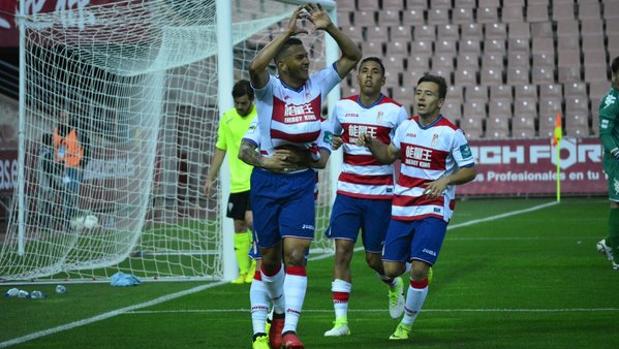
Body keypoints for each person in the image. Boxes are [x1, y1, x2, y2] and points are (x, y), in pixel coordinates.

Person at [240, 4, 361, 349]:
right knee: (268, 260)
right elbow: (254, 66)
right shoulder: (268, 90)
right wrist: (286, 33)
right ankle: (277, 314)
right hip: (266, 183)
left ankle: (290, 330)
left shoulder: (319, 84)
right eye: (299, 57)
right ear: (282, 64)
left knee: (296, 254)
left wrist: (329, 28)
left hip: (300, 183)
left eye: (307, 56)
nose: (307, 61)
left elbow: (353, 55)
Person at [357, 74, 477, 340]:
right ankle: (415, 272)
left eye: (429, 94)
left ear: (441, 101)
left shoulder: (451, 134)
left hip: (434, 206)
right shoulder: (405, 127)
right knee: (390, 270)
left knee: (419, 268)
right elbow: (389, 155)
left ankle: (406, 325)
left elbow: (470, 170)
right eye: (419, 92)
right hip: (402, 206)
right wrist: (371, 143)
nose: (421, 97)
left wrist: (445, 179)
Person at [322, 57, 409, 337]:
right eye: (364, 71)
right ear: (357, 77)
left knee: (375, 260)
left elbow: (399, 152)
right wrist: (332, 141)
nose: (369, 76)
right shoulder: (342, 107)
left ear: (384, 80)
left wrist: (374, 144)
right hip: (348, 193)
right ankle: (341, 322)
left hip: (380, 195)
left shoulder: (396, 112)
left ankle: (393, 285)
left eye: (375, 72)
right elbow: (329, 136)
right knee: (342, 252)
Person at [205, 80, 258, 284]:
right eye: (237, 103)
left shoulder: (259, 116)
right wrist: (210, 177)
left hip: (256, 180)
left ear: (251, 100)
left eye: (243, 103)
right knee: (239, 225)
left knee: (253, 221)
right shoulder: (227, 119)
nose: (240, 107)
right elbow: (221, 148)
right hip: (237, 183)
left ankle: (257, 265)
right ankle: (244, 271)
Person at [596, 55, 619, 271]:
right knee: (617, 203)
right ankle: (616, 256)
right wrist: (617, 152)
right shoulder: (612, 100)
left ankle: (609, 243)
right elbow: (605, 132)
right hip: (617, 162)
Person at [51, 111, 90, 231]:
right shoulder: (56, 132)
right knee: (66, 196)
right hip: (61, 169)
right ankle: (69, 222)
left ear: (69, 118)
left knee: (71, 195)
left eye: (65, 117)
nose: (63, 118)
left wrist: (83, 163)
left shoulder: (75, 132)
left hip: (74, 168)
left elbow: (87, 146)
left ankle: (72, 222)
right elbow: (55, 149)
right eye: (61, 116)